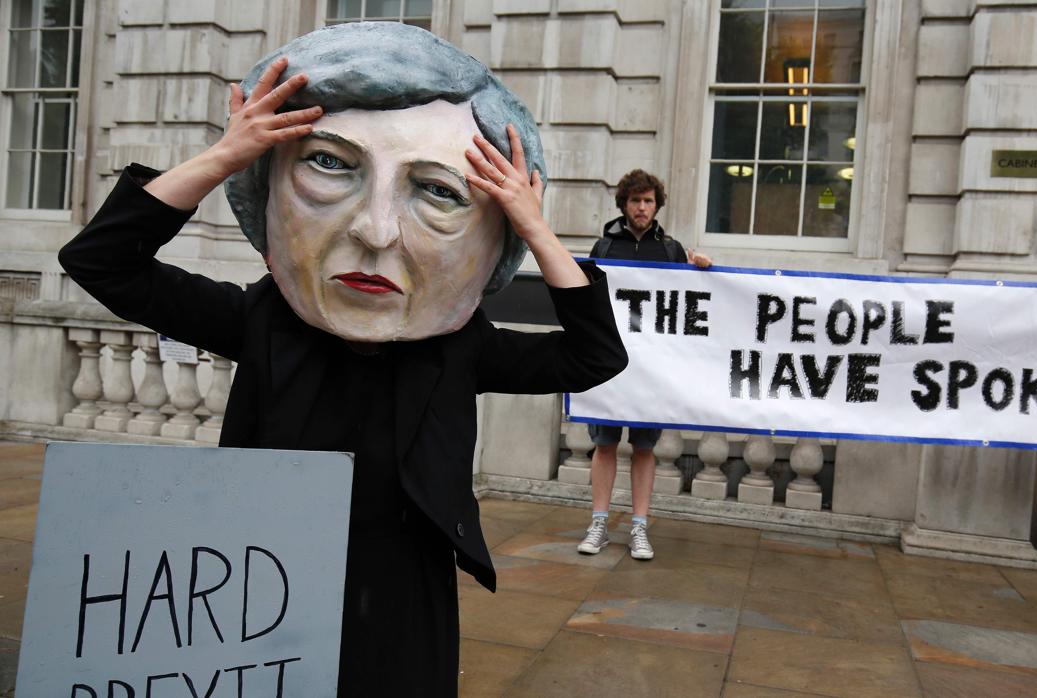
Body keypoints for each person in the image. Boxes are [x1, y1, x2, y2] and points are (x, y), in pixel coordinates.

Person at [58, 23, 627, 695]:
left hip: (401, 595)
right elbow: (102, 261)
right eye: (329, 164)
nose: (376, 232)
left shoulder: (462, 348)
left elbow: (594, 356)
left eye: (439, 192)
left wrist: (532, 226)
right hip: (262, 582)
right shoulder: (261, 320)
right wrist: (225, 156)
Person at [577, 169, 710, 560]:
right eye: (635, 201)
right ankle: (599, 523)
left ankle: (639, 528)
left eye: (648, 201)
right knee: (604, 444)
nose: (641, 208)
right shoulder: (604, 247)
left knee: (644, 448)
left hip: (651, 370)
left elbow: (690, 301)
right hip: (609, 367)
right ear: (624, 204)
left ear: (657, 205)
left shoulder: (669, 250)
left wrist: (700, 269)